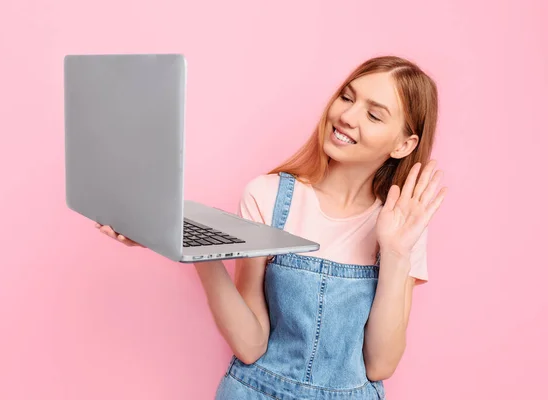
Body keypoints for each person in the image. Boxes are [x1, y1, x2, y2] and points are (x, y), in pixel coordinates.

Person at [96, 55, 447, 399]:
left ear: (404, 145)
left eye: (373, 115)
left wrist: (396, 252)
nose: (346, 116)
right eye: (346, 97)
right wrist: (196, 248)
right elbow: (251, 344)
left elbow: (380, 364)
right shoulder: (268, 196)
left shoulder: (402, 225)